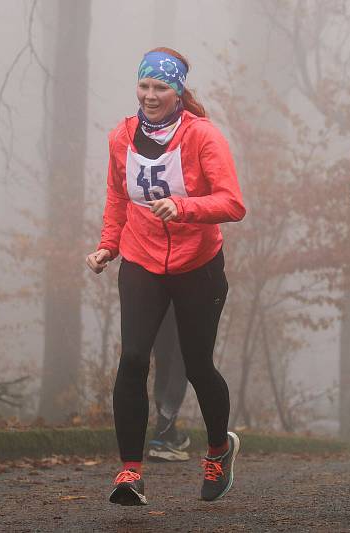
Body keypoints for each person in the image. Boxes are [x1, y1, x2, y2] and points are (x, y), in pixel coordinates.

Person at [86, 47, 246, 506]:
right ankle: (130, 472)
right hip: (141, 261)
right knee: (133, 359)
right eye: (144, 86)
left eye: (161, 87)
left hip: (198, 265)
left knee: (198, 366)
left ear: (178, 92)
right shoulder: (122, 136)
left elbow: (232, 203)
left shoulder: (202, 137)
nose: (151, 95)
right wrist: (107, 246)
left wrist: (184, 208)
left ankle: (218, 450)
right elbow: (118, 198)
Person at [147, 302, 192, 462]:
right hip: (186, 293)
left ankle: (169, 434)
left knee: (164, 366)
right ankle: (162, 436)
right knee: (180, 365)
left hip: (159, 295)